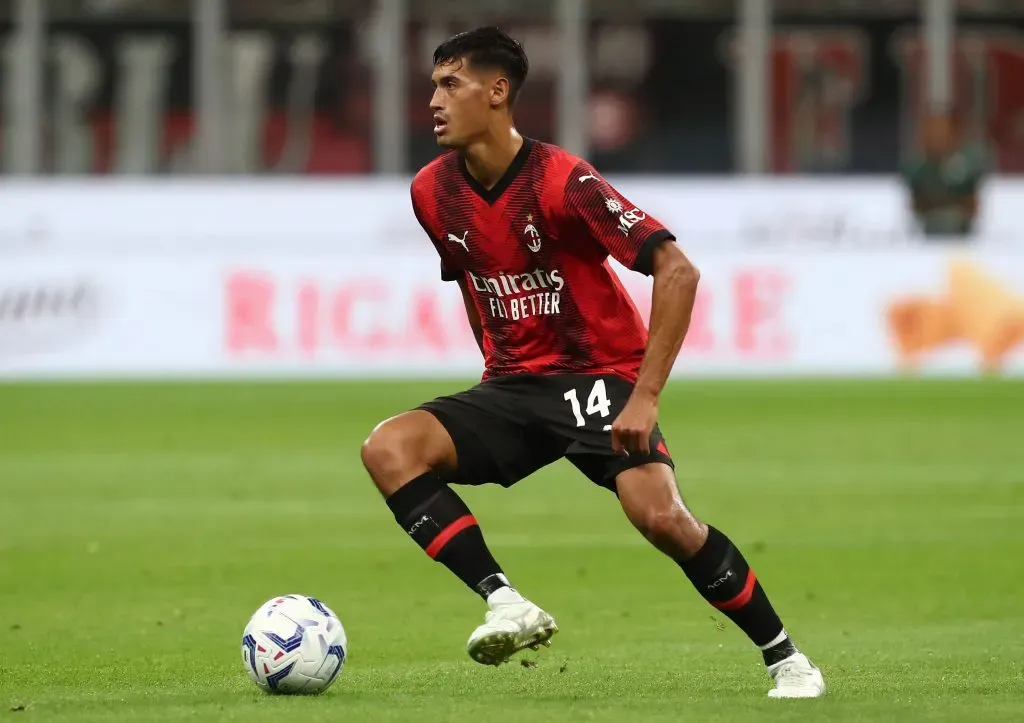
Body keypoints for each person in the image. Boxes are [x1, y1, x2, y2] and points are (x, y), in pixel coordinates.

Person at [360, 26, 825, 699]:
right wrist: (498, 374)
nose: (433, 98)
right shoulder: (431, 192)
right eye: (433, 83)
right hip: (513, 386)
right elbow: (473, 279)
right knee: (389, 448)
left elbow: (678, 271)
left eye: (450, 83)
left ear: (497, 93)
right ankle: (505, 601)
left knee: (662, 518)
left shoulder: (561, 180)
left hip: (598, 379)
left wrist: (645, 395)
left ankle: (787, 657)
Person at [903, 111, 986, 240]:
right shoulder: (917, 170)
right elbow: (916, 206)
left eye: (942, 131)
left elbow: (971, 205)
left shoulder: (966, 168)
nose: (937, 136)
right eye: (932, 132)